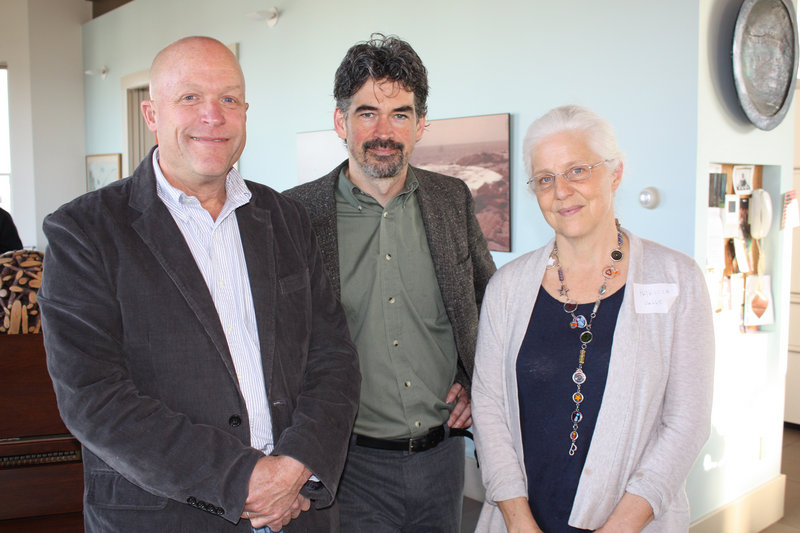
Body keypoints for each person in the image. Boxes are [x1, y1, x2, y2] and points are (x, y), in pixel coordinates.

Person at [38, 36, 360, 533]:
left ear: (246, 112)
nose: (213, 116)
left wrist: (296, 468)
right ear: (152, 114)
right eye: (190, 97)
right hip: (166, 516)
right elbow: (93, 397)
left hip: (296, 511)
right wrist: (245, 480)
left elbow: (333, 356)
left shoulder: (286, 217)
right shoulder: (84, 231)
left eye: (229, 99)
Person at [283, 34, 496, 532]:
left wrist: (473, 379)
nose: (384, 131)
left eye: (400, 114)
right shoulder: (294, 214)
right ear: (340, 122)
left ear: (421, 125)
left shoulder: (453, 200)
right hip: (346, 467)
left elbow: (487, 304)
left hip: (442, 461)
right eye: (366, 114)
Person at [471, 105, 714, 532]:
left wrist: (619, 528)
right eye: (545, 178)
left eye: (577, 170)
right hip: (522, 521)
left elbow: (686, 423)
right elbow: (489, 408)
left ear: (615, 173)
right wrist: (518, 520)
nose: (561, 191)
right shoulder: (506, 289)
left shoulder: (677, 280)